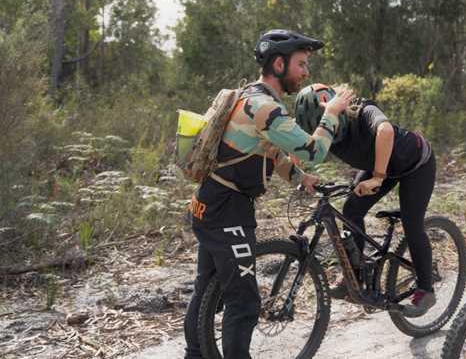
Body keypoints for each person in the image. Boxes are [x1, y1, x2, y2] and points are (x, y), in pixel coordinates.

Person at [184, 29, 354, 359]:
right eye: (301, 64)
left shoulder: (249, 96)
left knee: (206, 290)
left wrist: (300, 178)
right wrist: (331, 113)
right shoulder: (264, 107)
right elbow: (314, 150)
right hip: (227, 213)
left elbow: (267, 152)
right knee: (244, 302)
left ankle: (195, 354)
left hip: (208, 204)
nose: (306, 72)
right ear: (279, 63)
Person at [294, 83, 437, 317]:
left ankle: (426, 288)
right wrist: (297, 166)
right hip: (380, 166)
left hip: (415, 164)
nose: (326, 127)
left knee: (412, 223)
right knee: (351, 210)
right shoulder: (327, 130)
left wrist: (378, 177)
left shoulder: (362, 110)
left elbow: (386, 131)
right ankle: (356, 276)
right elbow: (307, 147)